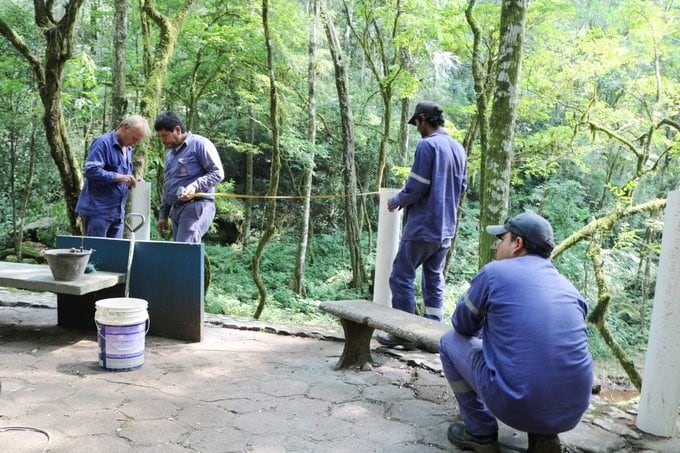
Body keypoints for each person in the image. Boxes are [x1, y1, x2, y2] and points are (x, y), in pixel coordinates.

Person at [439, 212, 593, 453]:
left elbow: (462, 325)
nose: (497, 245)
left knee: (449, 342)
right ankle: (544, 437)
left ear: (517, 244)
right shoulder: (570, 289)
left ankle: (480, 433)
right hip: (572, 411)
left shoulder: (494, 273)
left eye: (502, 239)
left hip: (516, 406)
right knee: (539, 358)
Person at [376, 101, 467, 349]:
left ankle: (404, 332)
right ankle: (433, 334)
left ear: (424, 120)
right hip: (446, 228)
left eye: (417, 122)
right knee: (433, 278)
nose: (417, 127)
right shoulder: (458, 148)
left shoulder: (428, 146)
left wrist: (397, 200)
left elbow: (417, 185)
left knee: (401, 276)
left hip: (423, 226)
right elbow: (462, 187)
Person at [75, 115, 151, 238]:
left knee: (114, 253)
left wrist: (133, 181)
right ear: (125, 127)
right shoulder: (102, 143)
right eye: (135, 138)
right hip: (98, 211)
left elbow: (123, 176)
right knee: (97, 252)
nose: (136, 143)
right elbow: (91, 170)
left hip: (117, 212)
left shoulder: (128, 149)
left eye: (139, 140)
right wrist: (119, 177)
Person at [155, 112, 224, 243]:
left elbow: (217, 173)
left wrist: (194, 186)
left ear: (177, 130)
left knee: (184, 250)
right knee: (182, 253)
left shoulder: (199, 144)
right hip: (176, 210)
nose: (162, 140)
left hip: (195, 206)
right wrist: (163, 215)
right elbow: (168, 185)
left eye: (165, 135)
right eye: (160, 137)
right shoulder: (170, 155)